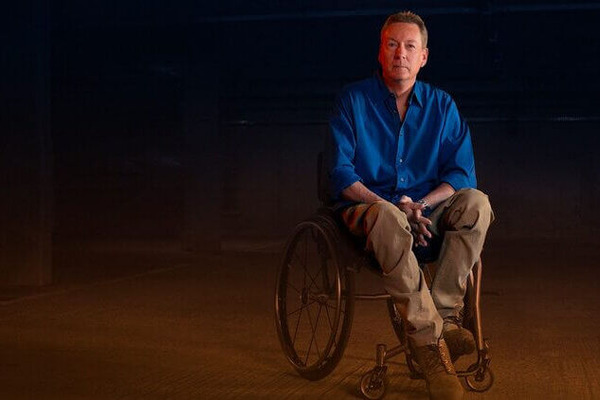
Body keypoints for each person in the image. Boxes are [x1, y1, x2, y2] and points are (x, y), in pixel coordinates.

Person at [327, 11, 494, 400]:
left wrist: (418, 204)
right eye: (391, 44)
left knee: (476, 203)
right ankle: (431, 347)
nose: (400, 53)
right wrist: (393, 206)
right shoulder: (353, 101)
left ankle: (445, 315)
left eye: (409, 46)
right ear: (381, 53)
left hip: (423, 210)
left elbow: (461, 174)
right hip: (368, 209)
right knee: (387, 215)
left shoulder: (442, 106)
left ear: (423, 57)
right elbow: (340, 175)